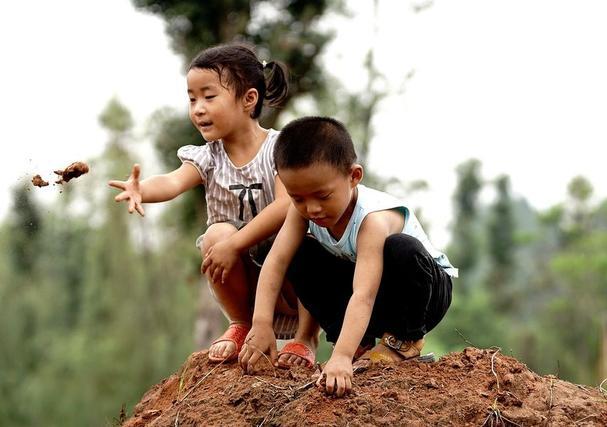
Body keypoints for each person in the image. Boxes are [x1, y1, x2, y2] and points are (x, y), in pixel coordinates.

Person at [108, 43, 318, 367]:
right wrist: (142, 189)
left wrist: (236, 244)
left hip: (291, 275)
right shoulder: (208, 156)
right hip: (246, 277)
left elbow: (284, 205)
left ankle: (305, 338)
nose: (198, 109)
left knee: (304, 242)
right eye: (191, 99)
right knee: (215, 235)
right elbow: (174, 181)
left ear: (249, 99)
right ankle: (240, 323)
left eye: (209, 96)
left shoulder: (281, 148)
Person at [239, 116, 457, 397]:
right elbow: (276, 262)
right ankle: (361, 343)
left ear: (353, 176)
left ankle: (405, 341)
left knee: (402, 248)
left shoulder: (372, 220)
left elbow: (363, 294)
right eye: (298, 198)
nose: (312, 208)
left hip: (421, 296)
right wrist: (261, 324)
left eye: (322, 195)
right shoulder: (302, 212)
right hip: (370, 296)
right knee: (299, 253)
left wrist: (341, 356)